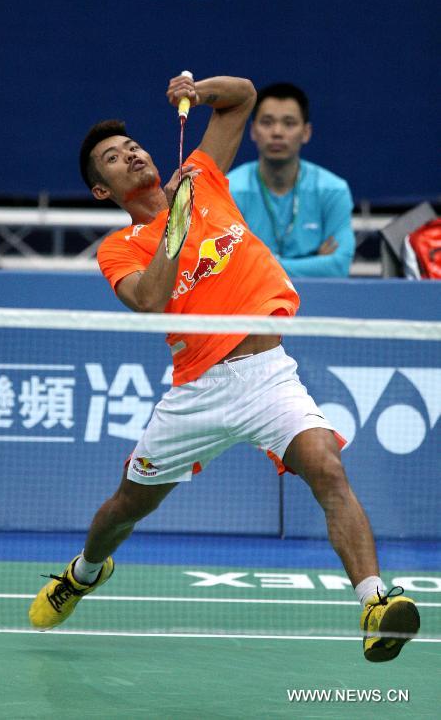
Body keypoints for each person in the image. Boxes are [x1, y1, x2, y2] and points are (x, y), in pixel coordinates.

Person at [29, 72, 419, 661]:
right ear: (102, 191)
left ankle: (374, 603)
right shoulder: (119, 248)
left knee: (326, 465)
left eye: (132, 146)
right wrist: (175, 230)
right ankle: (84, 571)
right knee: (126, 507)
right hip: (197, 394)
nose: (130, 154)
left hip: (267, 375)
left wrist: (197, 89)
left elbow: (243, 97)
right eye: (112, 158)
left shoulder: (204, 177)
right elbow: (149, 300)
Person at [227, 82, 355, 277]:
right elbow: (228, 268)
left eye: (289, 123)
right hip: (250, 305)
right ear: (253, 131)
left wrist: (257, 264)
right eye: (267, 122)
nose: (277, 132)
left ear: (306, 132)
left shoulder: (333, 190)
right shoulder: (230, 190)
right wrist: (314, 261)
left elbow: (338, 267)